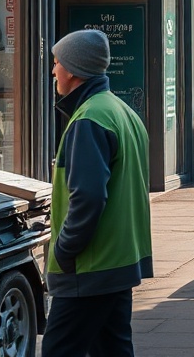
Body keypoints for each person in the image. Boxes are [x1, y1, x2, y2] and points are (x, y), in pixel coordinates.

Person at [44, 29, 154, 357]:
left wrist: (64, 250)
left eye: (57, 62)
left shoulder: (89, 119)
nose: (53, 71)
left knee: (58, 350)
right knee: (113, 349)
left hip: (90, 267)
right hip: (120, 260)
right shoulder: (121, 113)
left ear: (74, 70)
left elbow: (89, 197)